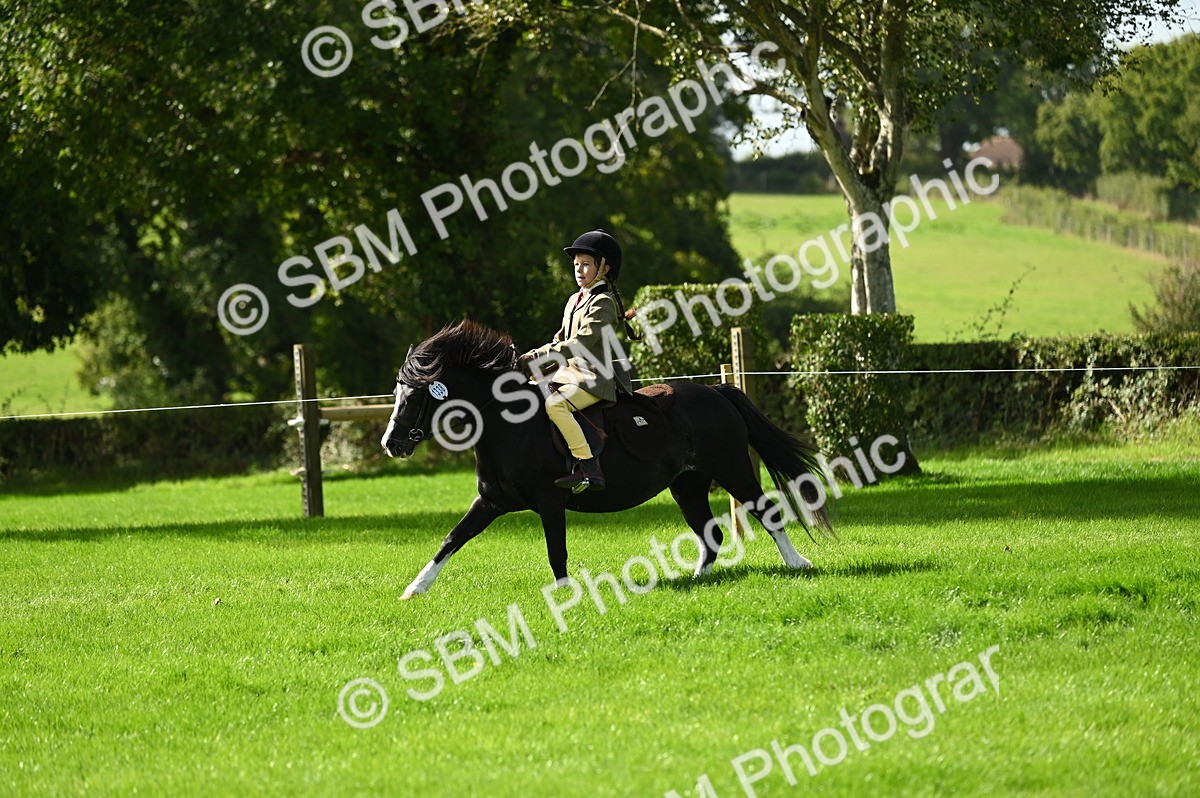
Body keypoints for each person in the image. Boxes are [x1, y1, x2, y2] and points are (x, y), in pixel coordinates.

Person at [520, 229, 639, 492]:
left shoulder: (603, 303)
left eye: (586, 264)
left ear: (604, 269)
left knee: (555, 405)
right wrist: (533, 359)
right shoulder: (574, 300)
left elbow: (579, 344)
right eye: (576, 265)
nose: (579, 270)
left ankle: (588, 466)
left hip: (593, 379)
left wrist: (539, 356)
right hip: (568, 374)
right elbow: (559, 339)